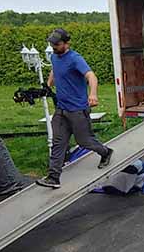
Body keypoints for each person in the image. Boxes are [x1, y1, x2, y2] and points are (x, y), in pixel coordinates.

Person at [36, 28, 112, 189]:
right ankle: (53, 177)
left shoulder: (75, 59)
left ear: (66, 43)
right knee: (58, 143)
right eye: (52, 43)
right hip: (61, 110)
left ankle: (105, 152)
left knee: (84, 141)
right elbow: (54, 71)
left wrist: (93, 94)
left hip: (78, 110)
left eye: (57, 44)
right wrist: (48, 86)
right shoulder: (54, 57)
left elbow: (91, 76)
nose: (54, 46)